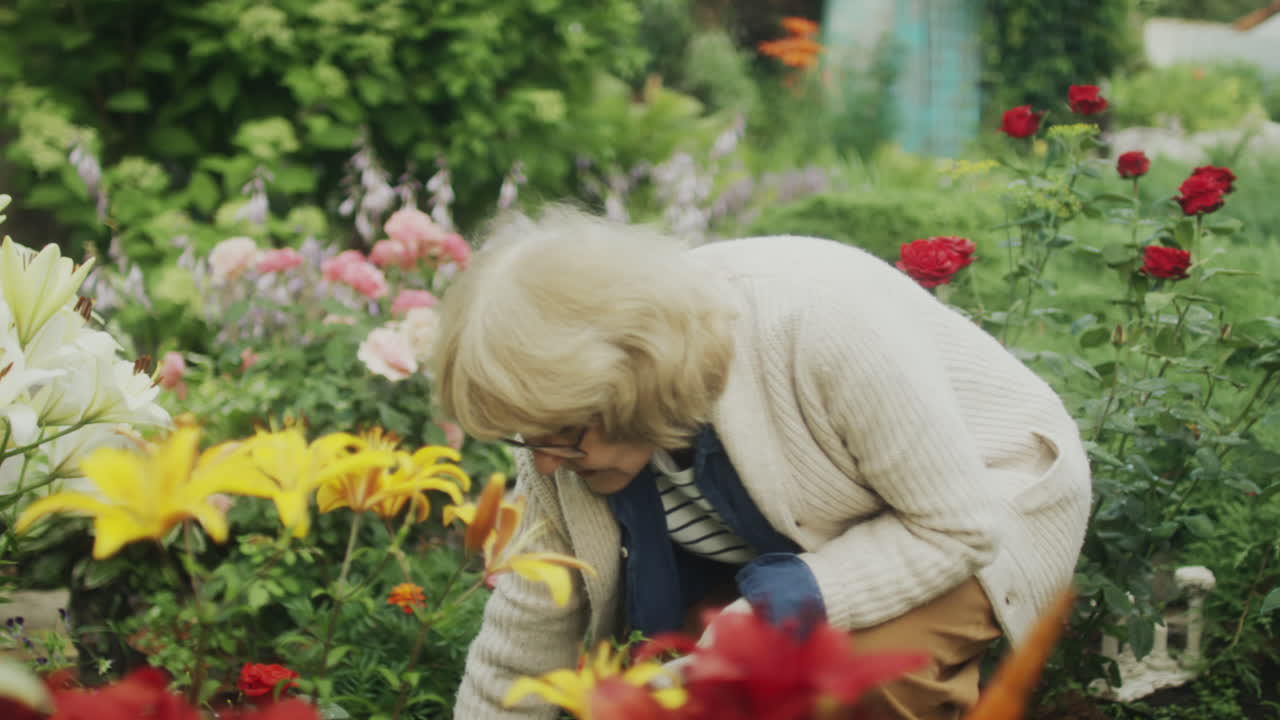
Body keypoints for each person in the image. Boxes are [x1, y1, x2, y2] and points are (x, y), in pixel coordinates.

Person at [432, 206, 1091, 720]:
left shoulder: (815, 320)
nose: (545, 466)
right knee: (677, 686)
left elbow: (961, 527)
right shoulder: (561, 425)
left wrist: (782, 605)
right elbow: (529, 622)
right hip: (789, 539)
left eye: (561, 437)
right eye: (528, 438)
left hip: (975, 505)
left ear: (631, 384)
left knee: (858, 679)